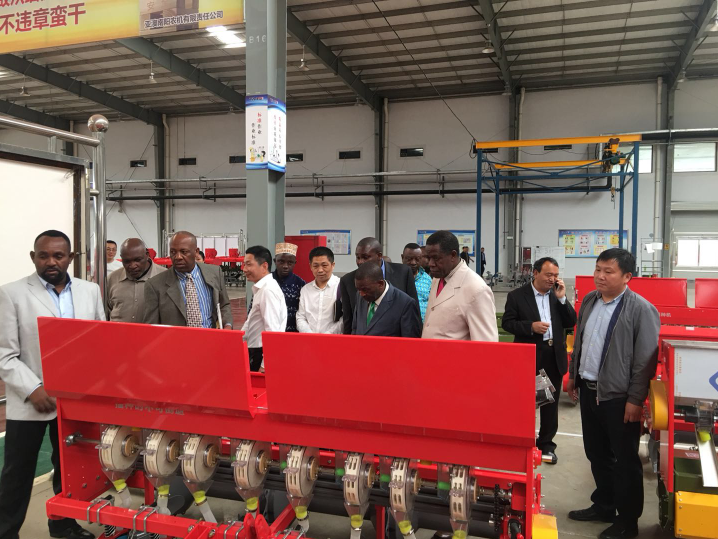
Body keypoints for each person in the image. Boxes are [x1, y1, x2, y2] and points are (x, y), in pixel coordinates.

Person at [0, 230, 104, 539]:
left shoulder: (90, 291)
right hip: (31, 401)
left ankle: (63, 524)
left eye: (58, 255)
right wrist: (32, 389)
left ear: (70, 258)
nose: (51, 262)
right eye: (43, 255)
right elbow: (4, 354)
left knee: (70, 469)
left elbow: (99, 343)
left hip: (76, 400)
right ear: (33, 257)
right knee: (17, 473)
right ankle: (6, 531)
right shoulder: (12, 294)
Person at [567, 248, 660, 539]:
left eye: (608, 271)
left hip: (619, 398)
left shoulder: (641, 309)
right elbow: (580, 342)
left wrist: (635, 400)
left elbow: (645, 361)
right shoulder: (590, 301)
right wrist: (573, 376)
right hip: (589, 390)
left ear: (627, 276)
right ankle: (604, 505)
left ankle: (628, 522)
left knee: (625, 461)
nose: (600, 276)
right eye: (598, 269)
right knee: (596, 454)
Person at [502, 257, 577, 465]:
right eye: (548, 275)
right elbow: (508, 323)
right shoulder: (517, 296)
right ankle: (523, 441)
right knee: (526, 402)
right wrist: (530, 327)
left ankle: (546, 445)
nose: (552, 279)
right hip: (531, 356)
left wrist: (562, 299)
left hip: (553, 356)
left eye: (555, 275)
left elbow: (571, 321)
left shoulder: (556, 295)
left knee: (550, 404)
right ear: (535, 273)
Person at [142, 231, 233, 329]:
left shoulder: (214, 273)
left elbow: (224, 305)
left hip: (210, 337)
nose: (178, 257)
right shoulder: (155, 285)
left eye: (184, 252)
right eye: (173, 252)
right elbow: (151, 327)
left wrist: (228, 325)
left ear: (196, 252)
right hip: (175, 338)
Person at [422, 231, 498, 342]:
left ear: (453, 255)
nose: (430, 264)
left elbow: (486, 344)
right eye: (429, 258)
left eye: (436, 258)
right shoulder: (438, 277)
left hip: (453, 354)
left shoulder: (476, 290)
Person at [340, 237, 417, 334]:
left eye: (365, 257)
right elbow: (351, 324)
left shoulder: (403, 273)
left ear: (379, 256)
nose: (360, 262)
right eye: (358, 257)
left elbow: (413, 319)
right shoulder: (349, 282)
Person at [241, 245, 287, 371]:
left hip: (260, 353)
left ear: (264, 266)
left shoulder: (268, 290)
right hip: (255, 350)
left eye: (249, 264)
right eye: (244, 264)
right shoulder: (261, 288)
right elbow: (251, 322)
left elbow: (273, 331)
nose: (244, 269)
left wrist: (264, 366)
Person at [351, 263, 422, 338]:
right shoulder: (360, 295)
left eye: (365, 289)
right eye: (358, 289)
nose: (362, 294)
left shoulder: (405, 304)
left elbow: (409, 341)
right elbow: (355, 329)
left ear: (380, 284)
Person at [107, 238, 166, 323]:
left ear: (147, 255)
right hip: (117, 331)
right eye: (127, 261)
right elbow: (106, 313)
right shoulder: (112, 279)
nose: (133, 266)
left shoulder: (164, 278)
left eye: (137, 260)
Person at [296, 247, 342, 334]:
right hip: (309, 340)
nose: (320, 270)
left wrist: (326, 336)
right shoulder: (305, 290)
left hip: (333, 339)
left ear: (332, 265)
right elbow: (300, 317)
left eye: (324, 265)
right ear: (310, 266)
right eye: (315, 266)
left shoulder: (341, 286)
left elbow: (344, 318)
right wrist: (310, 335)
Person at [273, 243, 306, 333]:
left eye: (290, 263)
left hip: (292, 333)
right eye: (281, 262)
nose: (285, 266)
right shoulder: (266, 282)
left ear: (295, 263)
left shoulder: (300, 284)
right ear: (275, 261)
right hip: (270, 332)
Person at [401, 243, 432, 322]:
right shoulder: (395, 277)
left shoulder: (428, 279)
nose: (413, 262)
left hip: (422, 325)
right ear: (402, 257)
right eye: (409, 259)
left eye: (417, 259)